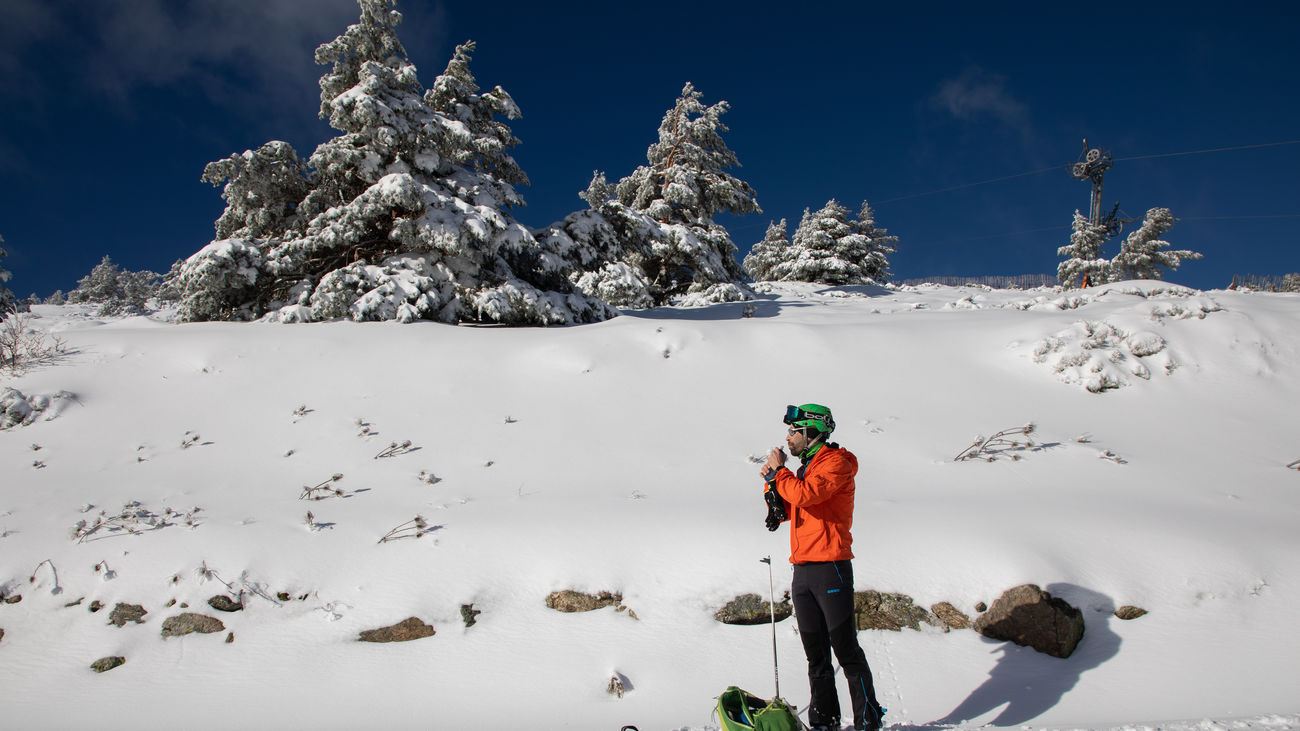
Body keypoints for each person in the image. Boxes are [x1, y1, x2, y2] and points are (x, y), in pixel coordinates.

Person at [760, 404, 884, 731]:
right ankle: (824, 721)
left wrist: (780, 475)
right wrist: (771, 485)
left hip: (832, 567)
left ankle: (868, 721)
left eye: (793, 432)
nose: (788, 438)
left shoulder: (836, 463)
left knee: (845, 649)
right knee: (815, 654)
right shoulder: (806, 467)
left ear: (811, 432)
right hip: (803, 570)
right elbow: (788, 508)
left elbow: (808, 495)